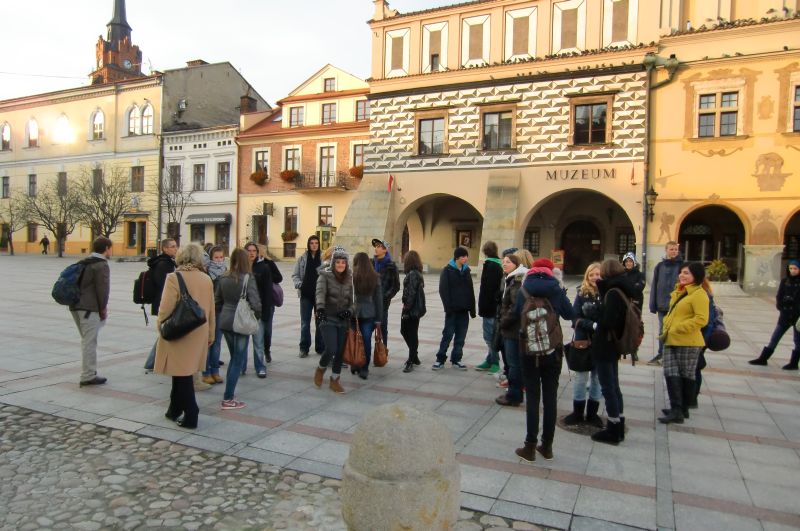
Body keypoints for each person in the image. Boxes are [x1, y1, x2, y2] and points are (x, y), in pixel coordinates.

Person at [513, 258, 573, 462]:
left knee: (532, 398)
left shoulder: (524, 290)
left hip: (528, 351)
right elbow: (570, 314)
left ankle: (529, 447)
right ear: (550, 272)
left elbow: (516, 315)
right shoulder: (556, 289)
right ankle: (547, 446)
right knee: (550, 398)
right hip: (552, 351)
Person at [155, 244, 215, 429]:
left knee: (182, 374)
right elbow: (211, 309)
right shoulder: (206, 278)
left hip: (179, 330)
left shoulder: (174, 277)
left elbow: (165, 309)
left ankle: (191, 412)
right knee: (182, 372)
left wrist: (160, 326)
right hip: (199, 330)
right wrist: (211, 333)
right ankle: (174, 409)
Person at [589, 259, 639, 444]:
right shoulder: (622, 289)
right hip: (614, 344)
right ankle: (619, 424)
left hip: (606, 344)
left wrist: (595, 312)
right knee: (614, 386)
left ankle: (613, 429)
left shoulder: (612, 293)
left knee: (608, 387)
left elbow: (608, 321)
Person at [658, 262, 710, 424]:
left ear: (696, 276)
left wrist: (679, 328)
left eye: (686, 273)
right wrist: (668, 326)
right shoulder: (680, 291)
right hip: (671, 338)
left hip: (688, 342)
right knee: (671, 372)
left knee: (684, 374)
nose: (682, 275)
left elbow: (702, 319)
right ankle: (678, 407)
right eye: (681, 272)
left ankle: (680, 409)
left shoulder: (699, 294)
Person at [215, 248, 262, 410]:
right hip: (241, 321)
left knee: (234, 357)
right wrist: (256, 316)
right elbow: (255, 302)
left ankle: (229, 394)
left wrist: (222, 313)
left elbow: (217, 300)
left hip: (226, 321)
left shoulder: (223, 277)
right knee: (237, 360)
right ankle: (228, 398)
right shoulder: (248, 278)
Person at [562, 262, 605, 427]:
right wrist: (591, 325)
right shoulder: (581, 293)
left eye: (598, 274)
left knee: (597, 378)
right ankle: (578, 412)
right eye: (591, 275)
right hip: (583, 342)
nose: (595, 277)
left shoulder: (607, 293)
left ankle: (593, 414)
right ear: (587, 276)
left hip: (601, 342)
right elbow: (575, 318)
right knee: (581, 378)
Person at [69, 236, 112, 387]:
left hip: (75, 306)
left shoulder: (84, 261)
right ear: (106, 248)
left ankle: (89, 372)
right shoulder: (101, 265)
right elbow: (103, 289)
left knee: (87, 340)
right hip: (89, 308)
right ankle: (88, 375)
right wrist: (103, 308)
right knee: (89, 342)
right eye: (110, 248)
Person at [314, 246, 355, 393]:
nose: (340, 265)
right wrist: (320, 308)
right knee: (331, 348)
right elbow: (320, 293)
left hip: (343, 320)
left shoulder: (350, 278)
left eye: (343, 262)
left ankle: (335, 380)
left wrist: (349, 311)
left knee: (340, 352)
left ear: (346, 263)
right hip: (327, 317)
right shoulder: (324, 276)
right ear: (333, 263)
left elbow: (354, 301)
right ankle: (321, 368)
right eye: (338, 262)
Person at [749, 260, 800, 369]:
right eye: (791, 268)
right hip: (785, 315)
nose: (793, 271)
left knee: (797, 340)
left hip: (797, 316)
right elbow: (779, 295)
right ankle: (763, 358)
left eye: (795, 268)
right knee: (775, 337)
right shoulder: (785, 281)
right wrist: (780, 306)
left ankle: (794, 363)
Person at [432, 247, 476, 370]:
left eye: (466, 256)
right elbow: (443, 290)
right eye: (463, 256)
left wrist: (472, 309)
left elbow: (470, 290)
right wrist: (448, 307)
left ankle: (456, 359)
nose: (466, 258)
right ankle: (440, 359)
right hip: (452, 310)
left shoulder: (466, 271)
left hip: (464, 310)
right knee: (447, 335)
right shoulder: (447, 270)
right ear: (457, 258)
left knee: (461, 337)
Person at [244, 242, 282, 377]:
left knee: (258, 341)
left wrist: (265, 311)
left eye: (254, 251)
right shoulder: (241, 267)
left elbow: (267, 291)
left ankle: (260, 366)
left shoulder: (264, 268)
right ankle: (241, 366)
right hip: (244, 309)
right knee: (242, 342)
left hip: (258, 309)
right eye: (249, 251)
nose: (251, 253)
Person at [494, 253, 526, 406]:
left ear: (516, 264)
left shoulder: (517, 281)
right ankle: (515, 393)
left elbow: (515, 307)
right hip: (514, 328)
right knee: (515, 363)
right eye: (504, 262)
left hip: (513, 329)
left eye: (508, 262)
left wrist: (503, 322)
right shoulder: (512, 278)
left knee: (514, 364)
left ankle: (514, 395)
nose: (504, 264)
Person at [144, 239, 178, 371]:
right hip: (164, 302)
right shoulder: (164, 264)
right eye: (172, 246)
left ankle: (154, 362)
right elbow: (164, 285)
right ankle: (152, 362)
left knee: (166, 333)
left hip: (162, 301)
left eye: (175, 246)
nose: (175, 248)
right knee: (165, 333)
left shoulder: (166, 262)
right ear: (165, 248)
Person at [648, 241, 682, 365]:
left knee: (674, 331)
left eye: (675, 249)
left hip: (677, 305)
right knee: (662, 331)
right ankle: (661, 353)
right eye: (671, 249)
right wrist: (653, 304)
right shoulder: (659, 266)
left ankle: (672, 355)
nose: (674, 251)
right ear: (666, 250)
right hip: (662, 304)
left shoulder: (682, 266)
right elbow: (654, 285)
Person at [351, 252, 383, 380]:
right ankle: (364, 368)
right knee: (365, 340)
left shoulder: (352, 276)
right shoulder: (375, 277)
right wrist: (379, 319)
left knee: (354, 339)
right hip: (369, 313)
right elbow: (378, 300)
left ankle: (355, 363)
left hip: (354, 313)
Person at [292, 235, 323, 358]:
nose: (314, 245)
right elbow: (295, 275)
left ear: (319, 245)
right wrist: (300, 285)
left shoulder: (323, 258)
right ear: (308, 245)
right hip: (306, 295)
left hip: (319, 296)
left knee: (320, 322)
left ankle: (320, 347)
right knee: (305, 322)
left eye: (316, 243)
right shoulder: (302, 259)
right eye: (312, 243)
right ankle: (304, 348)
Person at [475, 241, 504, 374]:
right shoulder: (496, 264)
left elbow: (489, 289)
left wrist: (485, 306)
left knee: (490, 336)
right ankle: (489, 360)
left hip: (490, 308)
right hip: (491, 306)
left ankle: (495, 362)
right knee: (491, 335)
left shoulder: (491, 266)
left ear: (485, 252)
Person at [201, 246, 226, 385]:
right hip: (209, 311)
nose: (219, 260)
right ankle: (206, 372)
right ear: (211, 258)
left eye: (221, 257)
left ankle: (215, 371)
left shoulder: (226, 270)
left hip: (221, 311)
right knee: (208, 342)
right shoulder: (206, 273)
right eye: (216, 257)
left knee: (217, 342)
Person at [371, 238, 400, 349]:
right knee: (368, 328)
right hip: (370, 301)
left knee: (383, 328)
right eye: (376, 246)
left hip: (383, 303)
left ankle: (383, 351)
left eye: (379, 246)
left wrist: (385, 296)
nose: (376, 248)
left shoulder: (391, 266)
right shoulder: (371, 263)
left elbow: (396, 286)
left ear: (385, 250)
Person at [400, 250, 426, 373]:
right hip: (415, 309)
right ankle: (414, 357)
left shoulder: (412, 274)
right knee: (409, 332)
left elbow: (411, 293)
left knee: (409, 333)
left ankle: (411, 360)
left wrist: (406, 308)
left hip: (411, 309)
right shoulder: (417, 273)